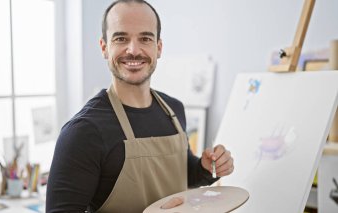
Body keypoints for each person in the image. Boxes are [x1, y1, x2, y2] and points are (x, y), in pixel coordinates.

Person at [46, 0, 234, 212]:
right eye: (121, 38)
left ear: (158, 47)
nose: (133, 50)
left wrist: (205, 168)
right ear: (104, 48)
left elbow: (180, 174)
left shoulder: (174, 110)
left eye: (145, 38)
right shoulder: (83, 132)